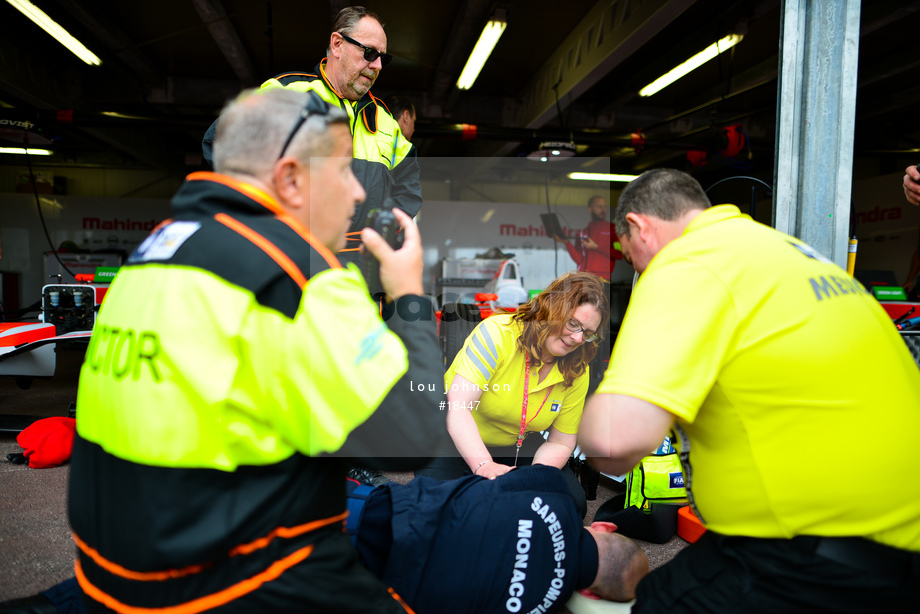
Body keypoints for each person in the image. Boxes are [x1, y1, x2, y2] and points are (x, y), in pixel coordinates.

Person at [67, 88, 447, 613]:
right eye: (342, 171)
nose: (358, 192)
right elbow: (411, 438)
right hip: (229, 584)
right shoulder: (299, 275)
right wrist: (409, 294)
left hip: (108, 575)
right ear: (292, 179)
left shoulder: (156, 250)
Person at [578, 169, 920, 613]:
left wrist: (582, 416)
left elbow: (613, 442)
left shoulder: (686, 262)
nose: (637, 268)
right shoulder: (788, 253)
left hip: (819, 558)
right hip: (898, 541)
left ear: (640, 226)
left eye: (629, 253)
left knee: (660, 602)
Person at [4, 466, 649, 614]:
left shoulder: (555, 498)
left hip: (354, 517)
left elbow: (525, 479)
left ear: (606, 526)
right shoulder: (532, 611)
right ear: (587, 589)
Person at [203, 6, 421, 278]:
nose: (376, 65)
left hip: (363, 275)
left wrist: (384, 230)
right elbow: (220, 143)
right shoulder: (288, 93)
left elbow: (409, 183)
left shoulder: (386, 121)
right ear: (337, 44)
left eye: (382, 59)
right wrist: (271, 220)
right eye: (369, 53)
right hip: (293, 267)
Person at [418, 271, 610, 519]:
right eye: (573, 323)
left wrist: (535, 478)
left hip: (515, 442)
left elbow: (561, 441)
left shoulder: (577, 368)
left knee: (571, 503)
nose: (577, 338)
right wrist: (484, 466)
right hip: (453, 436)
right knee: (443, 506)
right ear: (552, 309)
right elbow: (458, 408)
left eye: (587, 332)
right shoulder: (497, 334)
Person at [554, 196, 623, 283]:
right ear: (590, 209)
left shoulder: (613, 229)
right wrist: (566, 242)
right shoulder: (583, 233)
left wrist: (597, 247)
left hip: (602, 280)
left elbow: (619, 254)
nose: (603, 210)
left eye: (605, 207)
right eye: (599, 207)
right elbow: (579, 260)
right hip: (584, 279)